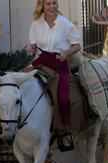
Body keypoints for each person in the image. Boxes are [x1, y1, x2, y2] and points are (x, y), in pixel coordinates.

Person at [25, 0, 81, 133]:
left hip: (59, 63)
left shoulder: (65, 24)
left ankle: (64, 128)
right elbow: (32, 49)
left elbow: (77, 45)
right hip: (41, 61)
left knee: (62, 98)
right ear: (42, 6)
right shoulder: (36, 25)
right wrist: (31, 50)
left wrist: (66, 53)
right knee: (21, 83)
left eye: (54, 3)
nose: (52, 7)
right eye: (48, 4)